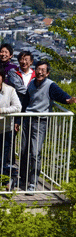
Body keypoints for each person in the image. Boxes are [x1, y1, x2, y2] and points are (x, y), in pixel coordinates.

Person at [18, 61, 76, 193]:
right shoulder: (32, 83)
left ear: (48, 73)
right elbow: (26, 102)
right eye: (38, 69)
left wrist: (69, 100)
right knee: (23, 150)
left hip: (40, 121)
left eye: (43, 70)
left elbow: (61, 96)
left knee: (35, 153)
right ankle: (23, 178)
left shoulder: (50, 85)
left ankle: (33, 183)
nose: (40, 72)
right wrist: (18, 120)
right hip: (27, 119)